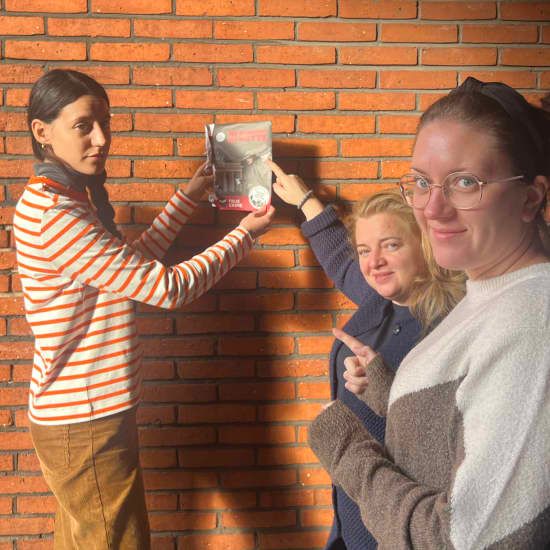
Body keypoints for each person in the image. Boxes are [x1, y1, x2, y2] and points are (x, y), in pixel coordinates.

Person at [13, 69, 275, 549]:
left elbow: (128, 271)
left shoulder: (63, 199)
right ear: (42, 131)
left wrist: (187, 198)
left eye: (105, 124)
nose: (101, 139)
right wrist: (244, 236)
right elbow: (166, 288)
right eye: (84, 125)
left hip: (84, 419)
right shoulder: (55, 214)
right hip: (85, 422)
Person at [308, 77, 550, 549]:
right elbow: (457, 433)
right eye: (421, 182)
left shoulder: (530, 321)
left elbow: (462, 540)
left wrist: (347, 451)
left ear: (530, 197)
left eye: (465, 182)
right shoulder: (486, 290)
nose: (433, 208)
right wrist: (387, 391)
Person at [270, 161, 464, 549]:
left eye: (391, 245)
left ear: (426, 244)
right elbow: (342, 263)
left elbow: (442, 444)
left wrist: (383, 389)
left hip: (402, 531)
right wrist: (305, 201)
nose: (373, 262)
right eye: (364, 249)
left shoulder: (452, 328)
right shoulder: (382, 301)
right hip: (352, 524)